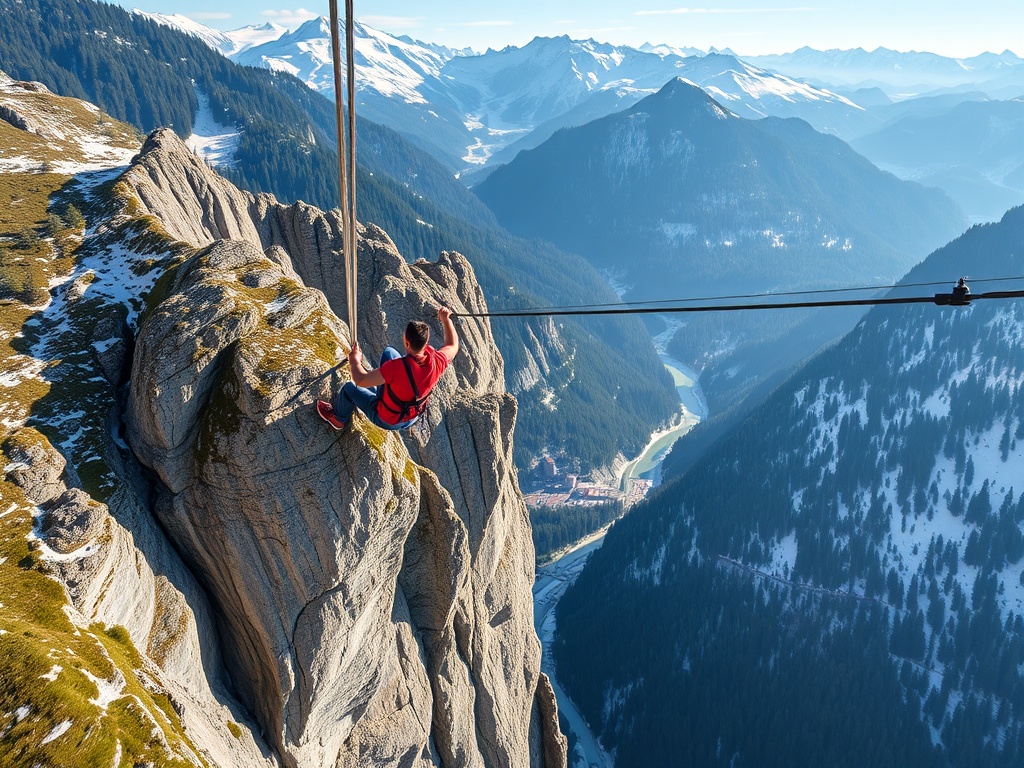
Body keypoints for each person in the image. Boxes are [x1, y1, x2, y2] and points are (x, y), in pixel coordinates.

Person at [316, 306, 459, 431]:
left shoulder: (396, 369)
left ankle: (339, 419)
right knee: (389, 352)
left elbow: (360, 380)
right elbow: (453, 345)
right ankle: (382, 391)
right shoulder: (436, 360)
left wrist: (355, 361)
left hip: (388, 419)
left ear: (407, 343)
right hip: (412, 415)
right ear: (425, 343)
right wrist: (446, 319)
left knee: (349, 388)